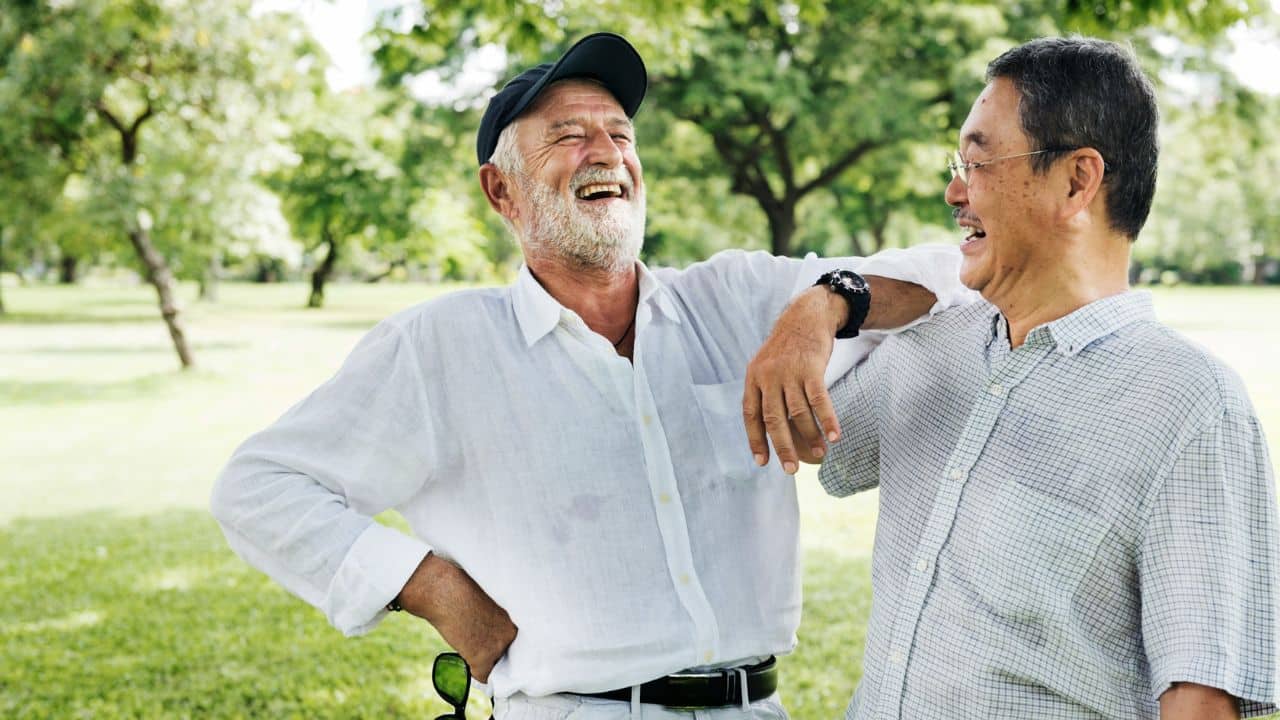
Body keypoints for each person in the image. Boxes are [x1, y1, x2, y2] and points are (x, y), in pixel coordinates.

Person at [209, 32, 968, 720]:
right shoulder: (441, 347)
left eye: (621, 134)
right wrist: (425, 583)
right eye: (569, 137)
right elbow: (259, 486)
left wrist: (823, 306)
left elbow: (951, 276)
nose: (606, 152)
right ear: (500, 191)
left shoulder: (733, 299)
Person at [744, 37, 1278, 720]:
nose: (954, 191)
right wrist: (825, 302)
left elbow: (1200, 701)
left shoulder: (1191, 407)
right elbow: (797, 432)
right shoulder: (934, 345)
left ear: (1077, 181)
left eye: (979, 162)